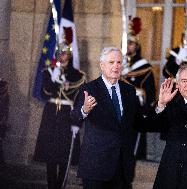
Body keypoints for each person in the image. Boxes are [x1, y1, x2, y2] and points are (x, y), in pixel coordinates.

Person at [70, 47, 147, 189]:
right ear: (102, 65)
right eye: (111, 62)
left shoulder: (129, 91)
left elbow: (139, 122)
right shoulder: (89, 89)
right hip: (96, 167)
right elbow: (74, 117)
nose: (116, 66)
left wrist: (160, 105)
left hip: (122, 168)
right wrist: (84, 110)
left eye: (119, 62)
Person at [33, 42, 86, 189]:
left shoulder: (78, 76)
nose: (61, 55)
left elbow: (81, 101)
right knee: (50, 155)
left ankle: (60, 185)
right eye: (59, 52)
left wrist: (77, 123)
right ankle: (51, 186)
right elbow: (44, 94)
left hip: (67, 117)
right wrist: (53, 78)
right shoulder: (49, 72)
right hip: (51, 114)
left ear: (69, 55)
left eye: (64, 53)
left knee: (64, 155)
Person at [121, 16, 156, 160]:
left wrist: (146, 109)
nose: (128, 46)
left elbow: (149, 91)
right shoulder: (117, 62)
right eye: (126, 43)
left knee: (132, 146)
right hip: (118, 104)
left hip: (135, 106)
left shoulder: (143, 66)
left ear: (137, 46)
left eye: (131, 43)